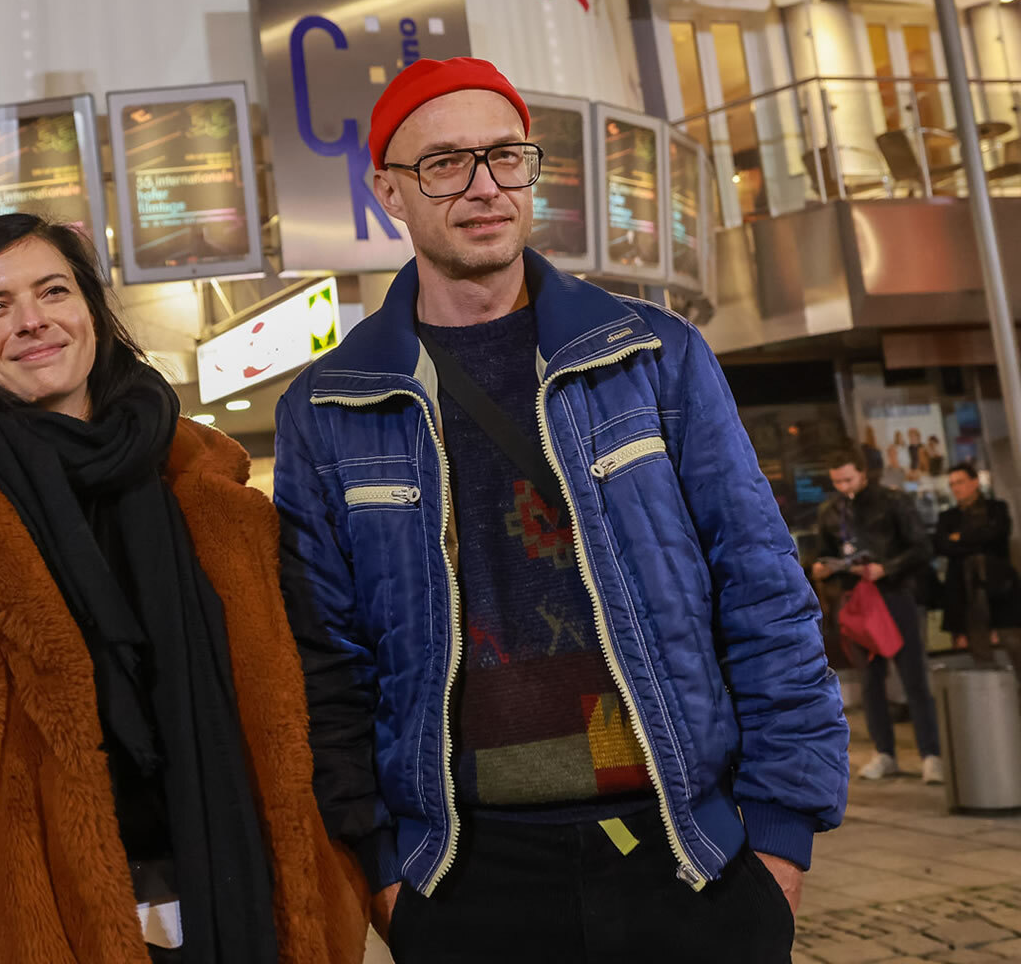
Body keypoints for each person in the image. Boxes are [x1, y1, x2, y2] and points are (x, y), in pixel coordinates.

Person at [276, 57, 847, 963]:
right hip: (466, 876)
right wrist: (386, 868)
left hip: (686, 852)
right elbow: (328, 663)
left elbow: (762, 588)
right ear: (389, 189)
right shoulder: (331, 406)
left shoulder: (653, 355)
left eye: (505, 156)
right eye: (443, 164)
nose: (482, 186)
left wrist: (780, 836)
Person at [0, 214, 367, 964]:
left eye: (54, 291)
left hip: (239, 910)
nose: (31, 321)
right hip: (23, 928)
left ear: (91, 309)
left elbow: (301, 707)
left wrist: (327, 877)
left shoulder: (212, 492)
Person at [809, 444, 941, 784]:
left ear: (863, 473)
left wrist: (887, 568)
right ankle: (885, 752)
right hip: (856, 601)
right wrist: (823, 568)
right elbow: (823, 553)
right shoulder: (830, 510)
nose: (844, 487)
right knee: (869, 681)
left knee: (914, 677)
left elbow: (922, 547)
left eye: (849, 479)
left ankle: (932, 754)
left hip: (894, 595)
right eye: (837, 481)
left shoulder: (892, 501)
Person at [936, 463, 1021, 669]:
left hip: (1000, 587)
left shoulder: (996, 508)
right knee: (980, 649)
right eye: (952, 484)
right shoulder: (948, 517)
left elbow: (996, 535)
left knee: (1013, 641)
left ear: (974, 482)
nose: (956, 488)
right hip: (967, 592)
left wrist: (961, 537)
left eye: (960, 482)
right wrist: (976, 540)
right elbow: (942, 545)